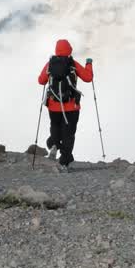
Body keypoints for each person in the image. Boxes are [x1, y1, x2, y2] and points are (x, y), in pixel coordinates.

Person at [37, 39, 93, 172]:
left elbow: (41, 81)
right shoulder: (72, 64)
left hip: (53, 105)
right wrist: (89, 64)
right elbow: (88, 77)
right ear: (69, 49)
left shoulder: (50, 63)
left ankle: (54, 144)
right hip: (71, 107)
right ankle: (64, 161)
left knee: (55, 126)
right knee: (68, 133)